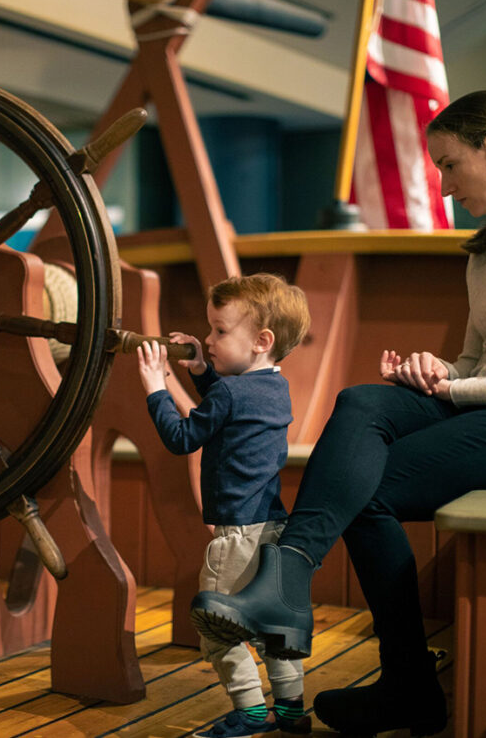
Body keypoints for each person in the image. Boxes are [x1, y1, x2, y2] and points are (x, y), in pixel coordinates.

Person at [189, 90, 486, 737]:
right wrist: (438, 371)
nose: (446, 187)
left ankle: (402, 682)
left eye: (450, 165)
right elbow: (478, 362)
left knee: (369, 489)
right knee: (361, 400)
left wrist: (454, 392)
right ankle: (291, 581)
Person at [137, 273, 312, 738]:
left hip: (235, 537)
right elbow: (226, 401)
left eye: (219, 331)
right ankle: (291, 709)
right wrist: (201, 367)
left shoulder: (231, 394)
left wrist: (157, 386)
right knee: (275, 626)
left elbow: (182, 438)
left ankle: (251, 711)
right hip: (273, 527)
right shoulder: (275, 388)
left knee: (217, 628)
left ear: (261, 340)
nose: (208, 339)